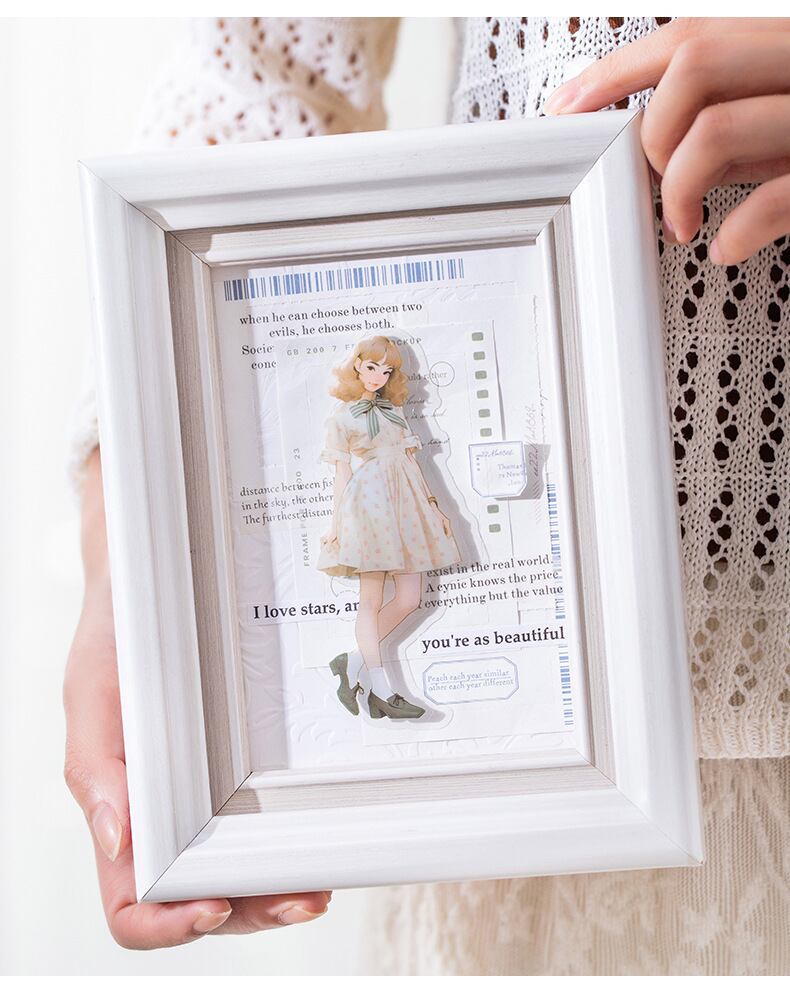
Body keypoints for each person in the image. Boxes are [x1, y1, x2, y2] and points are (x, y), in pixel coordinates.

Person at [65, 17, 790, 969]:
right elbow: (260, 67)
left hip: (668, 718)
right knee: (397, 594)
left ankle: (371, 673)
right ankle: (375, 678)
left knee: (401, 591)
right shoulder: (365, 415)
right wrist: (132, 534)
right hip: (534, 770)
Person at [316, 336, 459, 720]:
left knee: (410, 597)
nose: (378, 376)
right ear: (357, 365)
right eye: (372, 367)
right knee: (371, 599)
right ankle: (382, 689)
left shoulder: (395, 411)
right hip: (368, 506)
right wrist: (336, 524)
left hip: (407, 504)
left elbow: (412, 463)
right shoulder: (341, 417)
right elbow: (342, 473)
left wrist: (435, 507)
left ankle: (351, 662)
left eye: (387, 370)